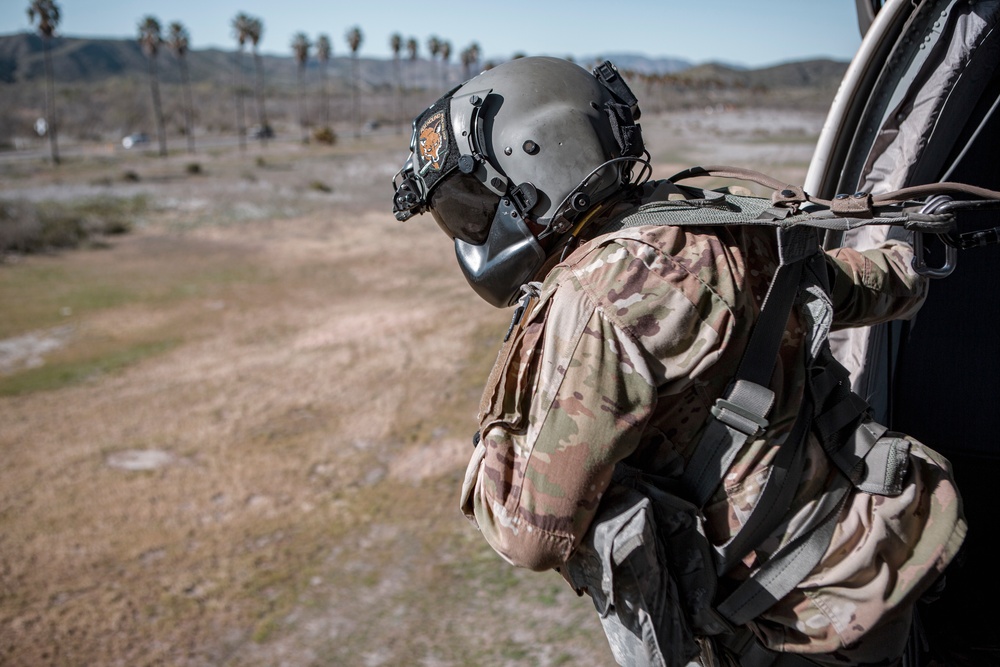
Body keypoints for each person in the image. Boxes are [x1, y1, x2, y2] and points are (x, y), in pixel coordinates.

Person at [391, 56, 966, 666]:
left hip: (799, 624)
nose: (473, 233)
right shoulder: (714, 215)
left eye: (473, 207)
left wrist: (490, 450)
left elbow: (529, 535)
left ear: (534, 159)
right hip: (891, 538)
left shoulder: (594, 303)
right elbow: (876, 286)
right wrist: (918, 250)